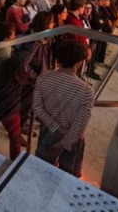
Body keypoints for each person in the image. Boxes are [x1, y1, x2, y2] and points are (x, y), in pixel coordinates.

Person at [33, 40, 94, 177]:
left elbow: (37, 108)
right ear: (78, 63)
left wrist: (56, 127)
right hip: (72, 138)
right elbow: (81, 123)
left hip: (48, 131)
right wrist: (64, 143)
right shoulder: (86, 90)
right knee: (68, 177)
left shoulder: (43, 78)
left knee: (41, 171)